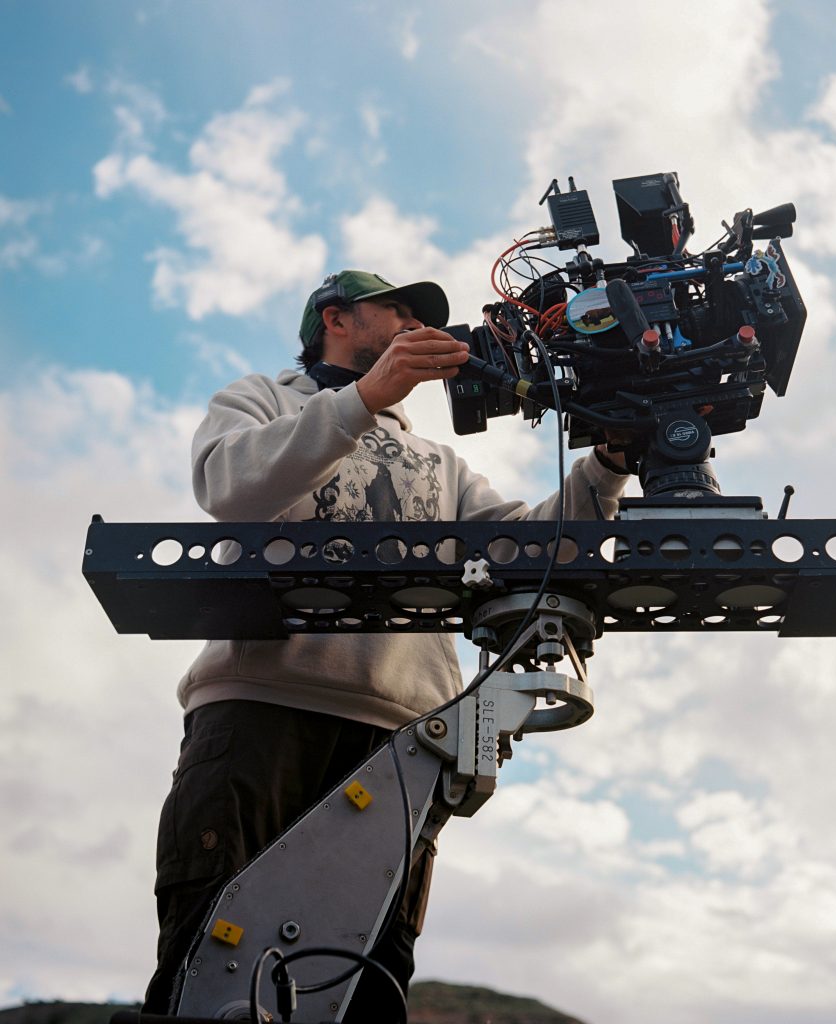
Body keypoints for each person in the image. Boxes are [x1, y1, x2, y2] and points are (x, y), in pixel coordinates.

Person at [142, 270, 631, 1020]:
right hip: (261, 712)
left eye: (416, 315)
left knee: (368, 978)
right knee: (207, 959)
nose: (411, 322)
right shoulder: (261, 398)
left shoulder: (440, 461)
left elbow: (533, 549)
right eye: (395, 308)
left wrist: (608, 465)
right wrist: (364, 398)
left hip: (403, 740)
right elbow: (229, 487)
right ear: (335, 319)